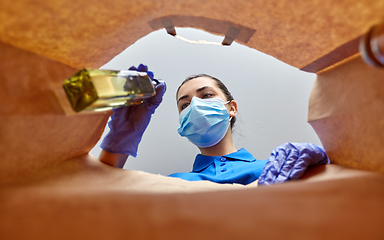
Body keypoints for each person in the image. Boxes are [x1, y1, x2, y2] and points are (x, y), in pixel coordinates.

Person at [99, 64, 329, 186]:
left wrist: (323, 163)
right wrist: (120, 140)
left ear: (232, 107)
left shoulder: (280, 167)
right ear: (182, 124)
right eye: (185, 104)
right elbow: (95, 195)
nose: (196, 106)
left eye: (206, 96)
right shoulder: (175, 183)